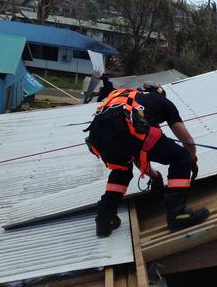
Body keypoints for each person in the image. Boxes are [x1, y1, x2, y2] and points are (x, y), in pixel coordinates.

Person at [85, 82, 209, 237]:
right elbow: (187, 141)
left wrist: (154, 175)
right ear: (160, 93)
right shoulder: (163, 102)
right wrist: (191, 160)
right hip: (127, 130)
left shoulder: (125, 98)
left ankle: (104, 218)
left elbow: (137, 156)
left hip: (98, 137)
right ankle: (177, 214)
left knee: (121, 171)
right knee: (180, 156)